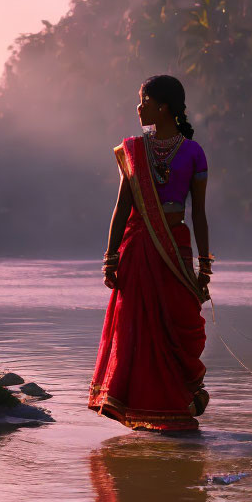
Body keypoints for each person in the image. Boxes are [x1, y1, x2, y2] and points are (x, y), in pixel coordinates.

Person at [88, 75, 213, 432]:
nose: (138, 107)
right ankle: (146, 408)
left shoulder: (193, 152)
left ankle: (181, 399)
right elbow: (122, 207)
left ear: (163, 107)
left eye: (143, 100)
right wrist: (110, 258)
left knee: (178, 322)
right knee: (137, 330)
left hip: (176, 247)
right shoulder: (132, 151)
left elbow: (199, 214)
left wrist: (204, 266)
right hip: (138, 247)